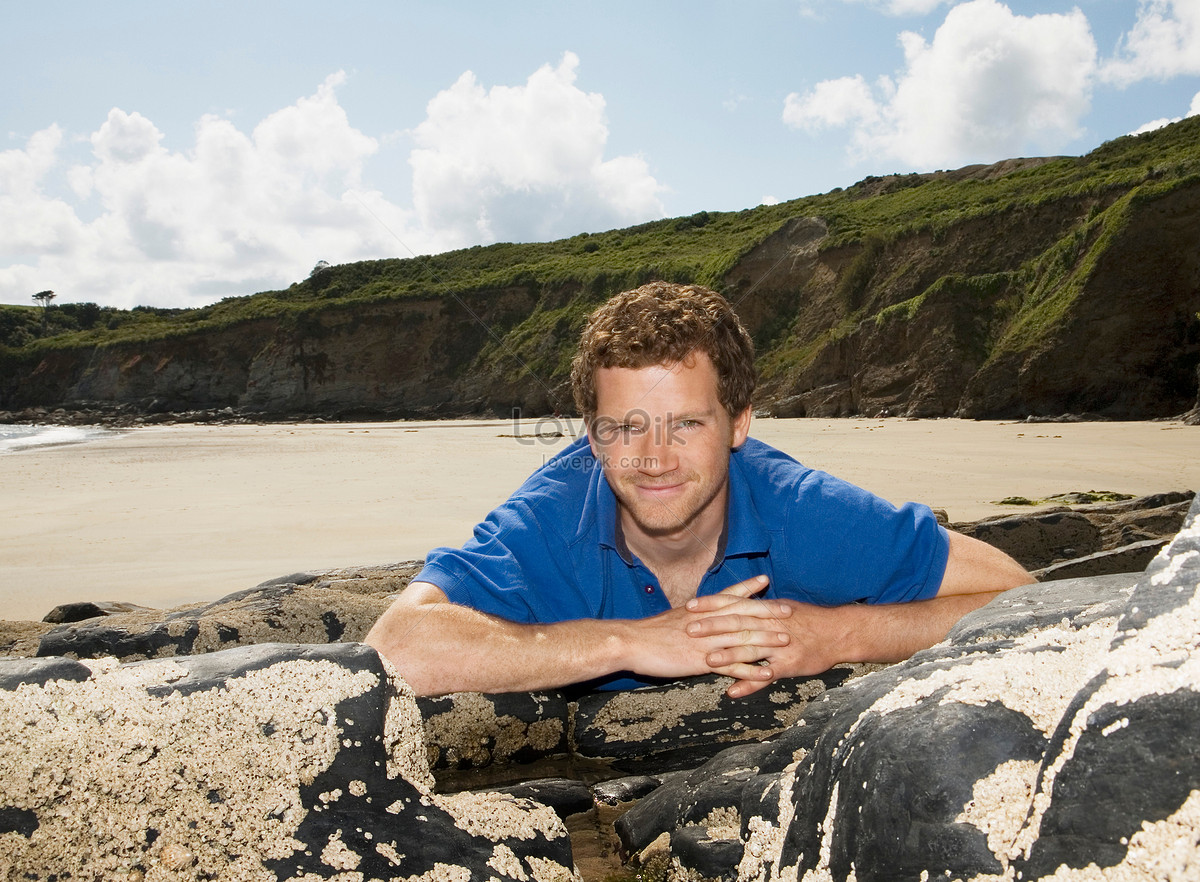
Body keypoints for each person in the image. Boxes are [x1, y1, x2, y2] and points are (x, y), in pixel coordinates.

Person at [365, 282, 1032, 698]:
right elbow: (394, 647)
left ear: (739, 422)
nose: (654, 458)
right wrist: (630, 642)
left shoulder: (801, 509)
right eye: (625, 426)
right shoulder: (551, 518)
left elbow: (1020, 598)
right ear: (591, 436)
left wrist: (843, 633)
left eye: (685, 424)